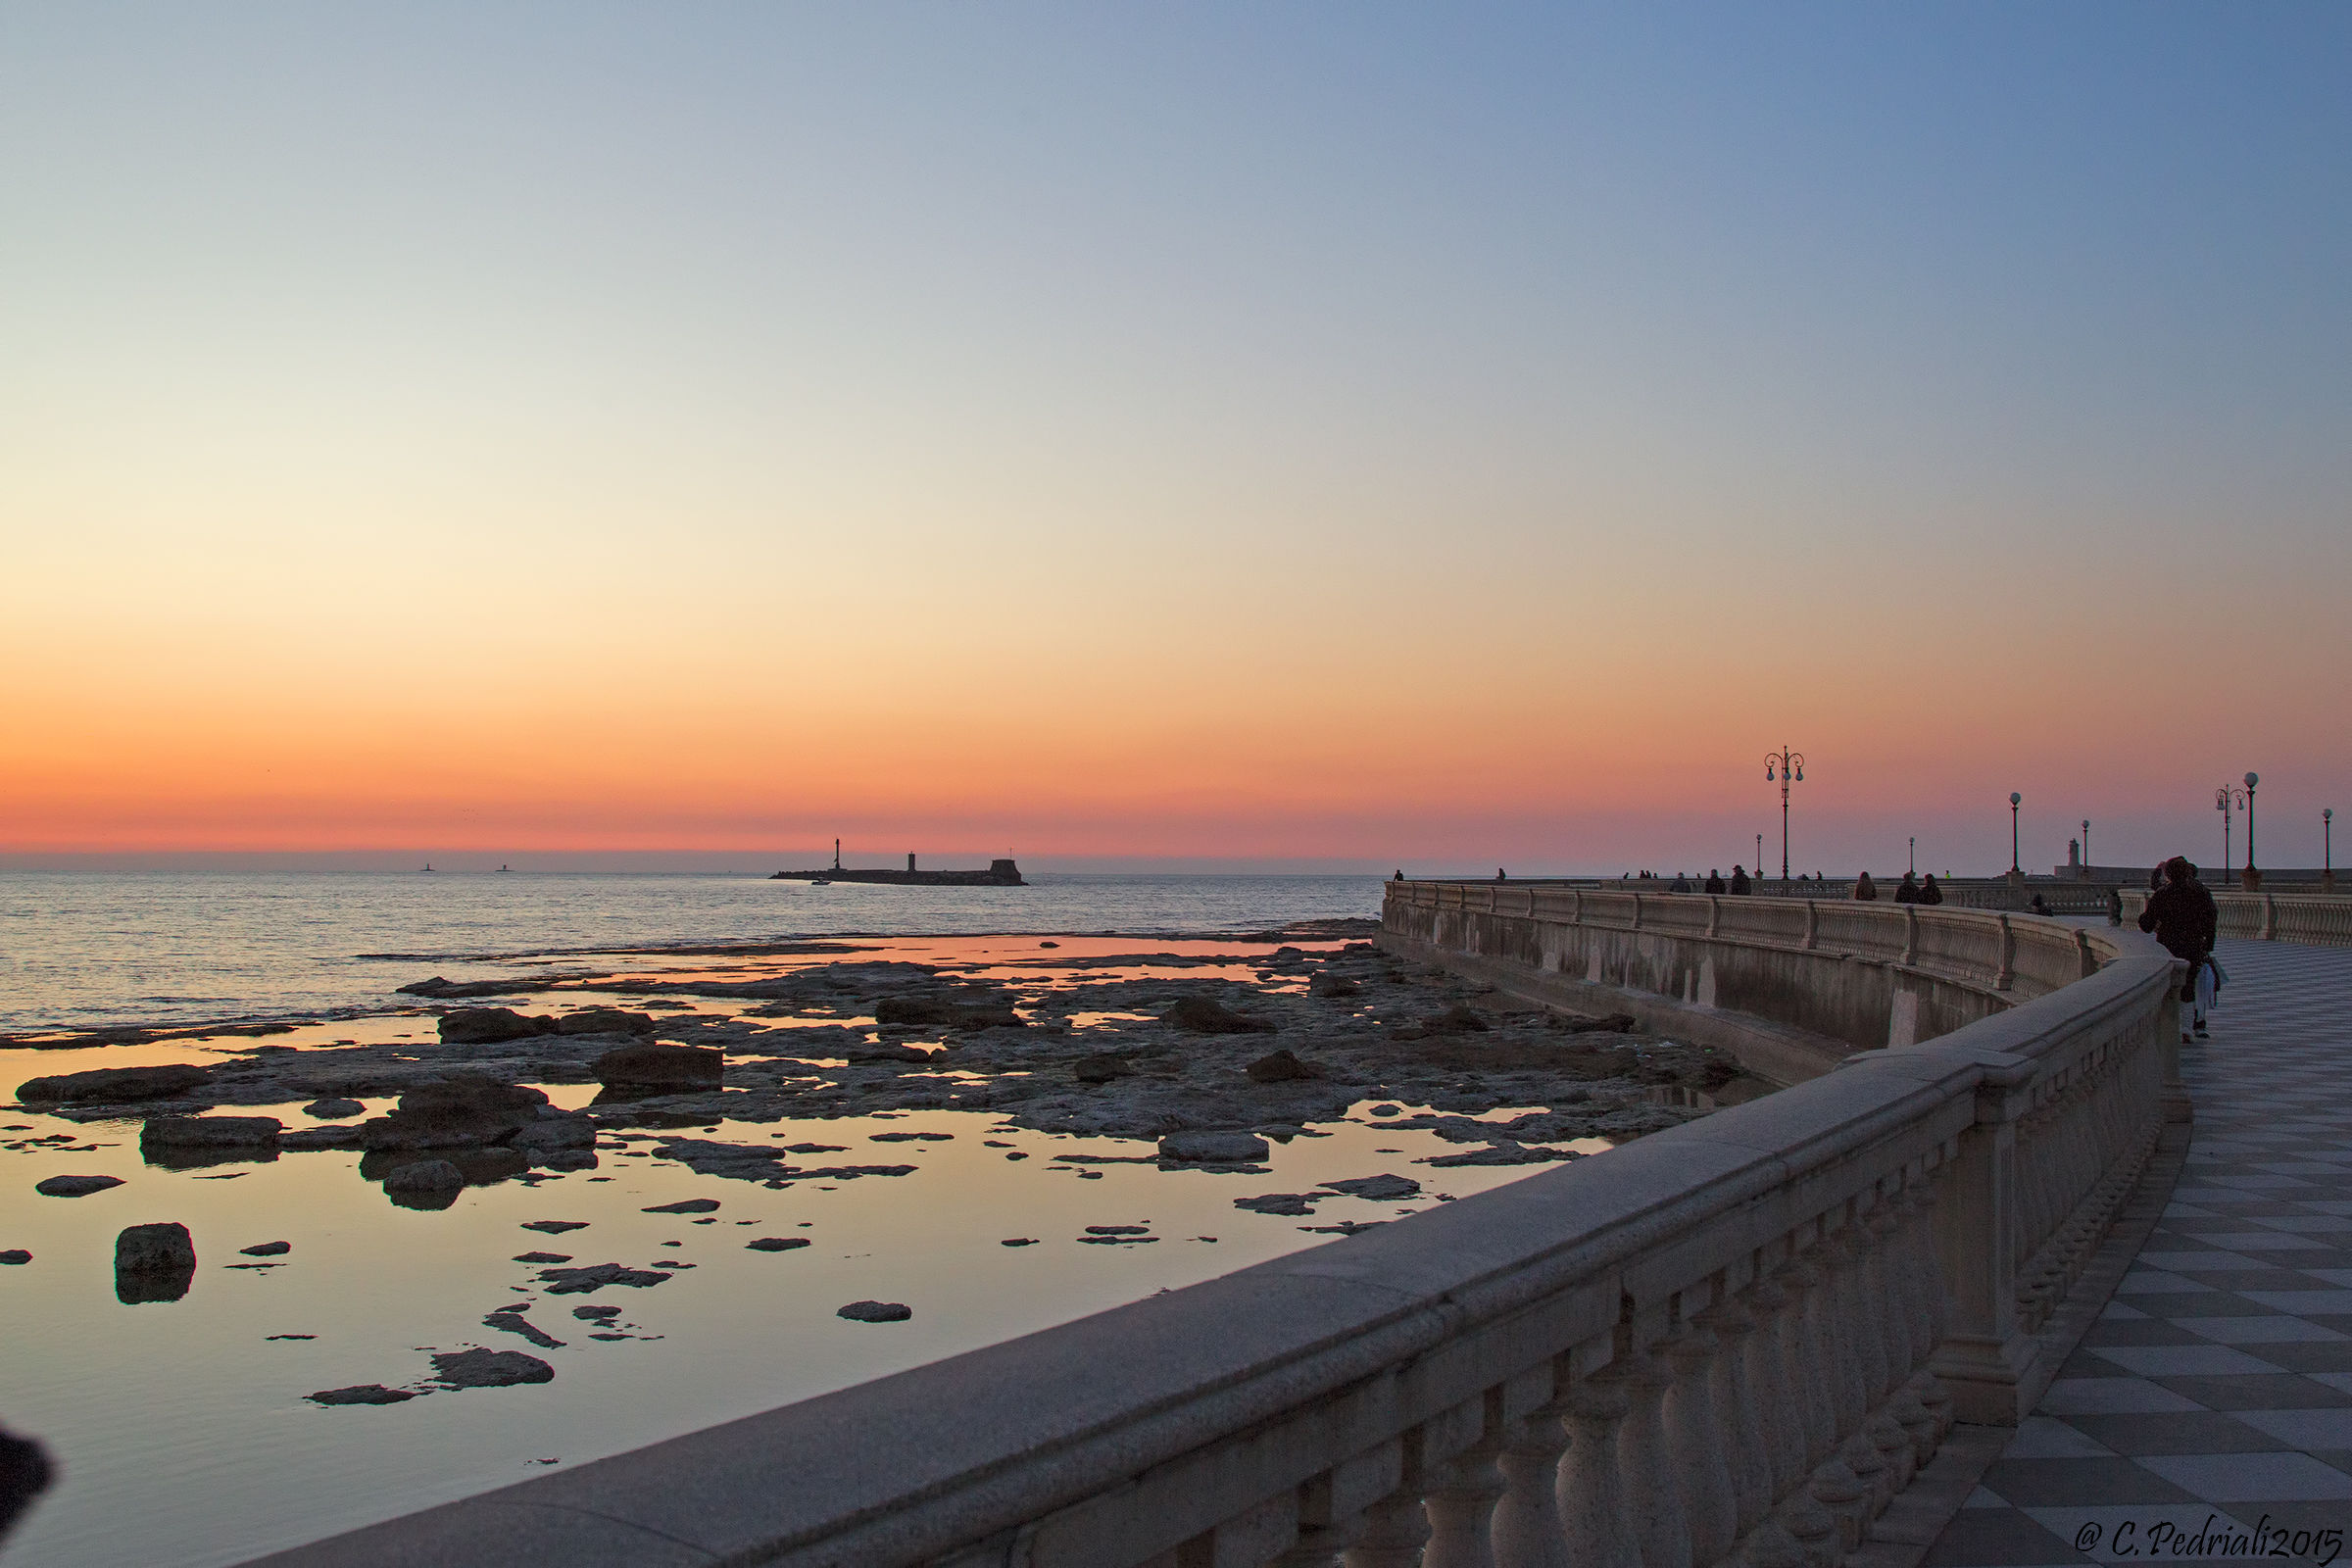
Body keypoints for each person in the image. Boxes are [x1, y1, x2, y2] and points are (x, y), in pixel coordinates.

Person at [2138, 856, 2219, 1043]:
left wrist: (2145, 919)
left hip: (2169, 946)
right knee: (2189, 985)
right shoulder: (2201, 893)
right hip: (2194, 945)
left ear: (2168, 874)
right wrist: (2208, 945)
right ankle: (2188, 1028)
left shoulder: (2163, 894)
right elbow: (2210, 921)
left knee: (2168, 986)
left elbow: (2147, 924)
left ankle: (2171, 1025)